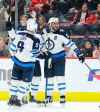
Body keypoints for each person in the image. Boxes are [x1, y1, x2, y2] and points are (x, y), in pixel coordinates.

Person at [42, 17, 85, 104]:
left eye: (57, 23)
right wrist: (44, 52)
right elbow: (41, 45)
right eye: (54, 23)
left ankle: (62, 96)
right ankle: (49, 96)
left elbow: (71, 44)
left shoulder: (62, 33)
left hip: (59, 57)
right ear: (50, 24)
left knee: (60, 77)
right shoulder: (44, 33)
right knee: (49, 78)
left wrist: (79, 53)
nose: (57, 25)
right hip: (48, 58)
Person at [8, 27, 44, 106]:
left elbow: (12, 46)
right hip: (29, 63)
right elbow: (36, 53)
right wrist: (44, 56)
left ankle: (13, 98)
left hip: (18, 61)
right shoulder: (35, 38)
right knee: (25, 83)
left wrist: (13, 56)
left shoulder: (20, 34)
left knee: (15, 82)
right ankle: (21, 98)